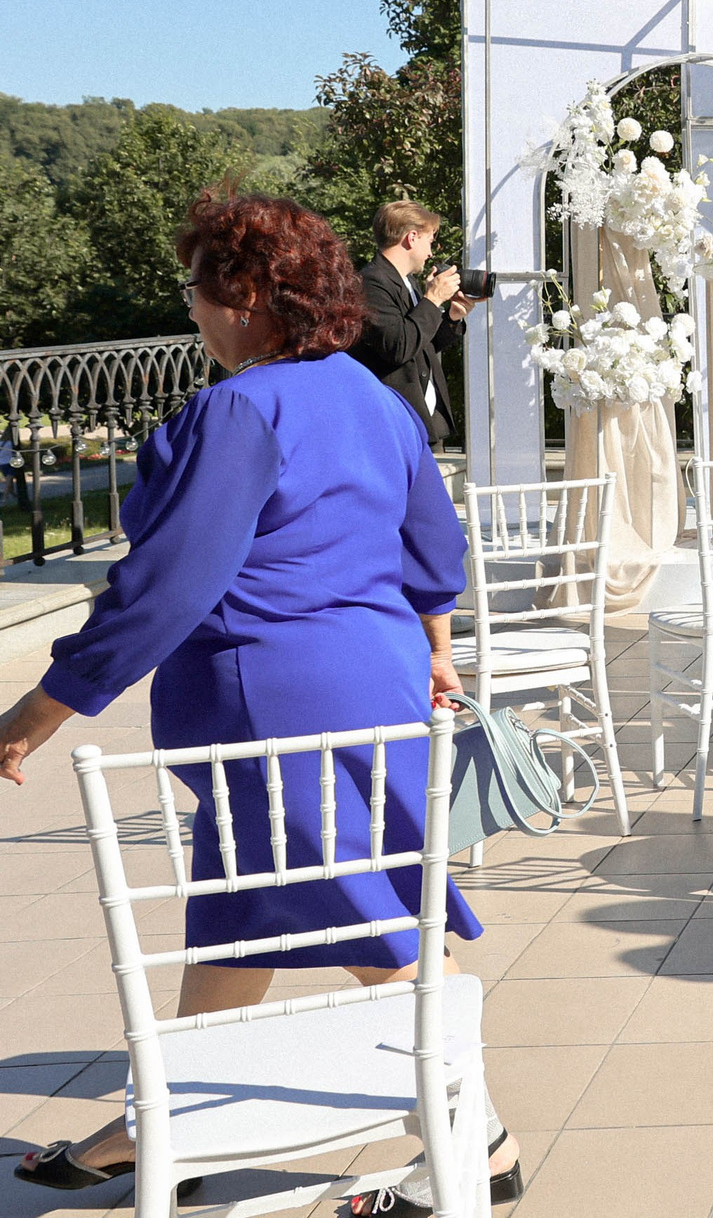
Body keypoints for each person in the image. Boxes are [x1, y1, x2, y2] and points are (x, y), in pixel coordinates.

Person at [0, 190, 517, 1211]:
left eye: (194, 287)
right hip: (367, 677)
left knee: (368, 916)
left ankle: (479, 1138)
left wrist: (37, 711)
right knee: (242, 913)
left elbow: (168, 586)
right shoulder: (373, 398)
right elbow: (432, 547)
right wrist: (436, 651)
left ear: (244, 297)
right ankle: (168, 1119)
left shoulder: (239, 408)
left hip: (275, 696)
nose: (190, 307)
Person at [351, 199, 479, 446]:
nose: (431, 252)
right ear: (411, 238)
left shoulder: (409, 282)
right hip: (393, 422)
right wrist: (432, 300)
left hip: (420, 419)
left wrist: (452, 316)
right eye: (429, 240)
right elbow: (397, 347)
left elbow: (420, 345)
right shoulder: (371, 282)